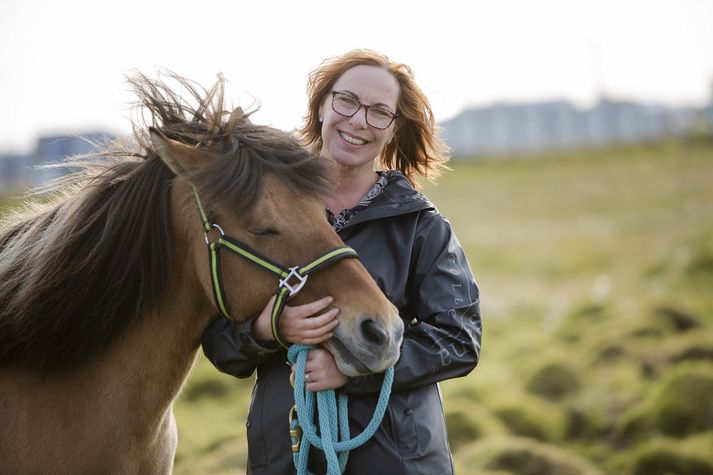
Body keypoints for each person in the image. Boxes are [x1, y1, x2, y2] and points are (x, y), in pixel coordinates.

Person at [201, 49, 482, 474]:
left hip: (397, 460)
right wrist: (269, 328)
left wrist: (352, 372)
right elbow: (222, 345)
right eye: (347, 101)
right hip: (285, 455)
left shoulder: (420, 227)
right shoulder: (265, 215)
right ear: (321, 107)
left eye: (379, 112)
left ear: (393, 129)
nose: (358, 121)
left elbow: (459, 339)